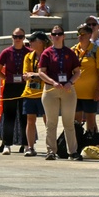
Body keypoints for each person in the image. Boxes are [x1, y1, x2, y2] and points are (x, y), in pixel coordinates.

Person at [39, 25, 81, 161]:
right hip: (51, 90)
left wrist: (70, 82)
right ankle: (51, 150)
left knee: (69, 122)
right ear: (50, 36)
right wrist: (52, 82)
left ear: (63, 36)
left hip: (67, 90)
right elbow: (41, 72)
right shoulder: (46, 53)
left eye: (59, 34)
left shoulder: (70, 52)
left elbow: (77, 72)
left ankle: (73, 151)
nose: (57, 36)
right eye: (54, 34)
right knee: (51, 122)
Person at [0, 28, 30, 154]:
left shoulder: (29, 52)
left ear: (24, 38)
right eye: (15, 36)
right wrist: (6, 78)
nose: (18, 39)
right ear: (12, 37)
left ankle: (26, 144)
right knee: (9, 116)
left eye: (20, 37)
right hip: (10, 87)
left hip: (24, 87)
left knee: (25, 116)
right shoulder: (6, 52)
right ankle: (7, 144)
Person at [20, 31, 49, 156]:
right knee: (30, 120)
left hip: (45, 93)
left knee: (48, 121)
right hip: (30, 93)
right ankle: (30, 147)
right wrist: (37, 75)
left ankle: (50, 147)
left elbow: (48, 75)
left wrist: (35, 75)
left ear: (41, 42)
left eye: (33, 40)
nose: (30, 43)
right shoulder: (28, 57)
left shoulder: (48, 55)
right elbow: (26, 75)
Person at [72, 23, 99, 136]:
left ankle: (92, 143)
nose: (80, 36)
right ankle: (77, 143)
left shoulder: (96, 50)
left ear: (90, 35)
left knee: (91, 120)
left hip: (90, 93)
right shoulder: (73, 50)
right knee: (76, 121)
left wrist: (98, 90)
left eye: (83, 34)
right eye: (78, 34)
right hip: (75, 92)